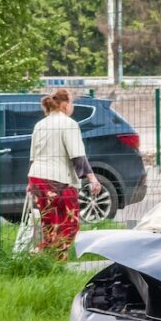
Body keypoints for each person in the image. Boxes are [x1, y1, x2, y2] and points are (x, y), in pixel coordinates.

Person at [27, 89, 101, 260]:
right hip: (58, 180)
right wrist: (92, 178)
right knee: (70, 224)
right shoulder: (68, 123)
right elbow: (77, 155)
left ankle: (49, 262)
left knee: (49, 225)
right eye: (72, 103)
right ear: (65, 105)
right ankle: (41, 256)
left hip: (37, 179)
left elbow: (33, 157)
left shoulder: (40, 124)